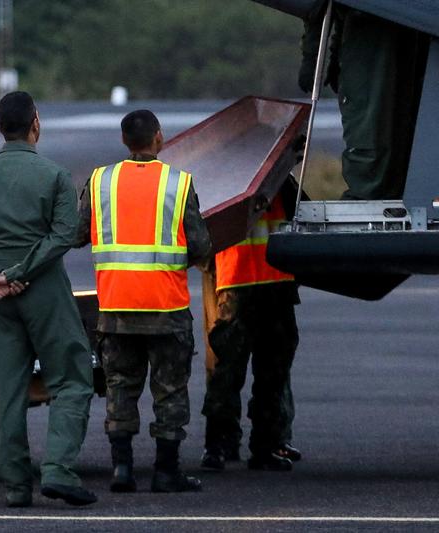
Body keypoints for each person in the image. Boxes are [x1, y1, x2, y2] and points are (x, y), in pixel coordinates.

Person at [0, 91, 96, 508]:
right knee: (71, 378)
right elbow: (63, 235)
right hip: (44, 287)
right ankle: (58, 470)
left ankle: (15, 484)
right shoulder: (55, 176)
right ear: (36, 123)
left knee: (5, 389)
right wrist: (19, 273)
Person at [76, 109, 211, 493]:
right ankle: (167, 472)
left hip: (116, 308)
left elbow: (76, 232)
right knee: (169, 390)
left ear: (123, 141)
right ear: (159, 137)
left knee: (120, 386)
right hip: (166, 309)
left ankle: (122, 470)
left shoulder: (101, 181)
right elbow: (201, 246)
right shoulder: (178, 183)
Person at [200, 194, 300, 472]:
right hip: (256, 283)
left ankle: (226, 446)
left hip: (247, 283)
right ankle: (251, 446)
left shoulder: (235, 178)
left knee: (242, 372)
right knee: (244, 373)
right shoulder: (278, 180)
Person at [299, 2, 429, 200]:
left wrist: (314, 54)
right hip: (406, 31)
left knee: (374, 137)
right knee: (388, 135)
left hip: (375, 42)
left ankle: (369, 200)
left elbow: (321, 7)